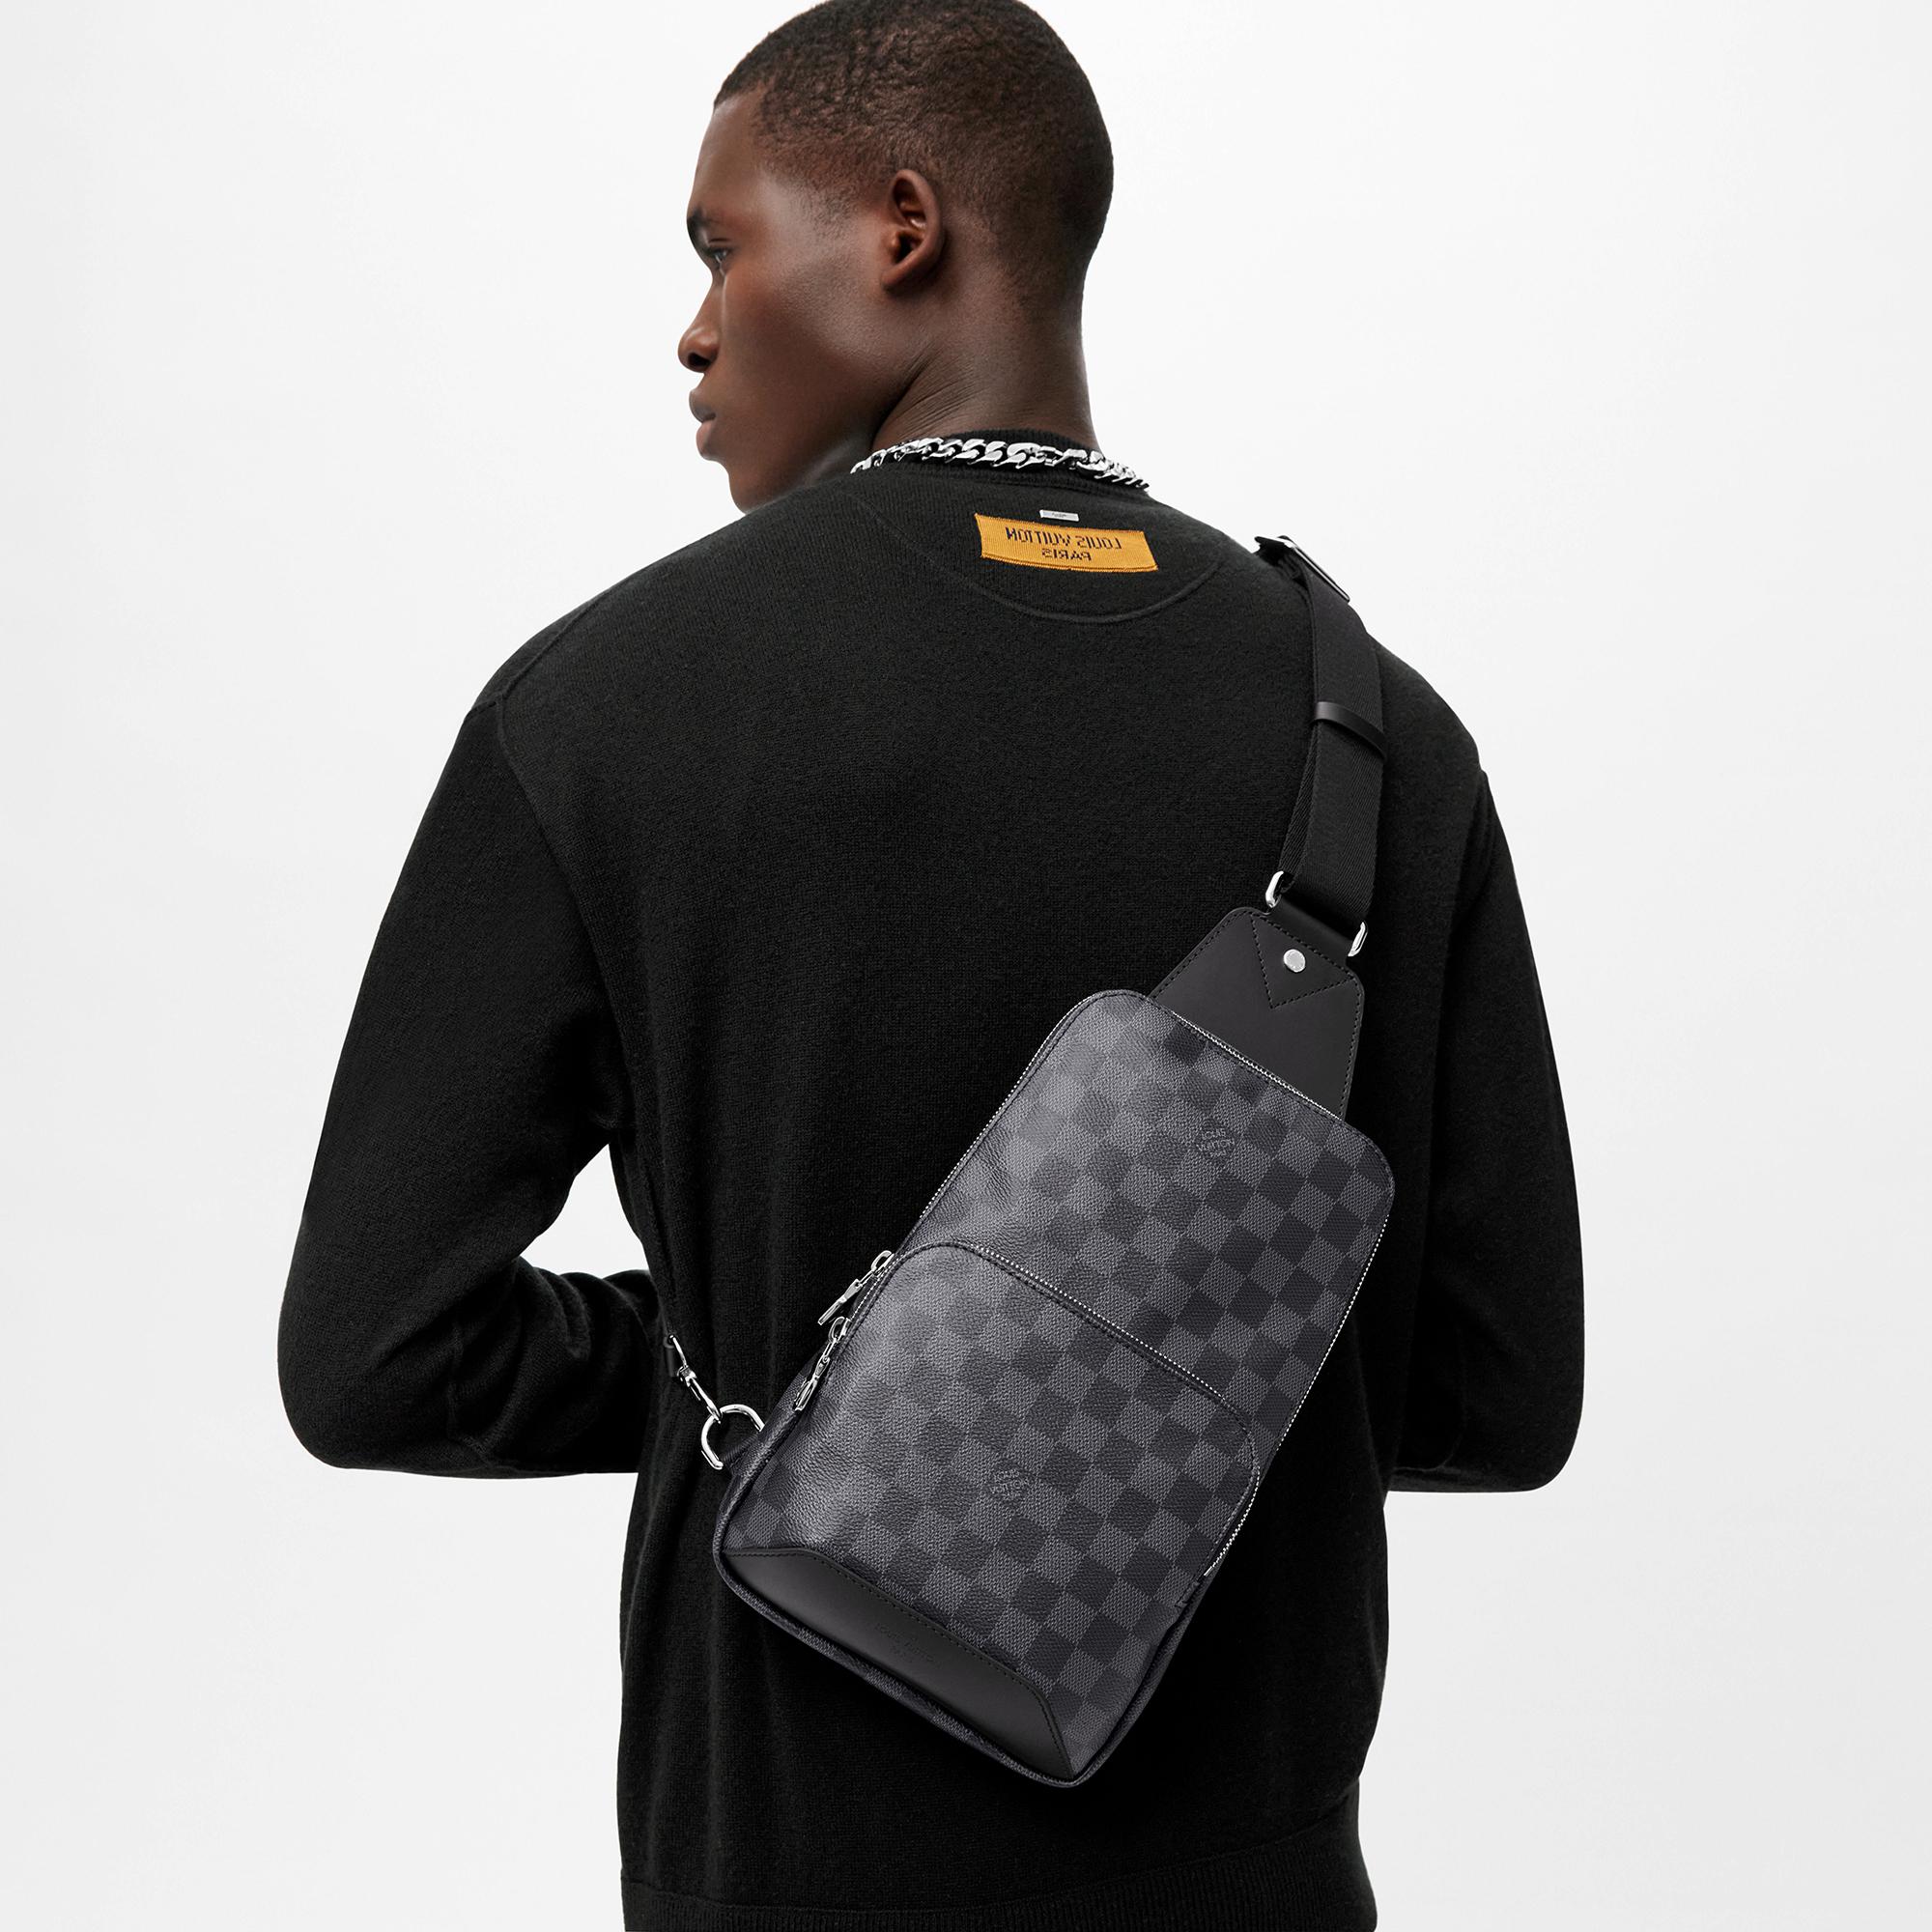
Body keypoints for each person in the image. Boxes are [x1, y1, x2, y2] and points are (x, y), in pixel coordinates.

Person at [277, 1, 1586, 1925]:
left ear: (902, 227)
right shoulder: (1383, 734)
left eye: (722, 244)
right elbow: (1497, 1392)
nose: (695, 329)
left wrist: (810, 1391)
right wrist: (1150, 1393)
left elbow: (377, 1358)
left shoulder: (608, 705)